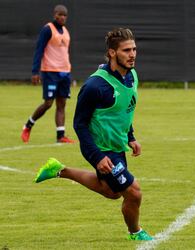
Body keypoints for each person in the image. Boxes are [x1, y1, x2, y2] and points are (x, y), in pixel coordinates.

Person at [33, 28, 153, 241]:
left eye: (134, 49)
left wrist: (131, 136)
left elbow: (126, 108)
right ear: (112, 53)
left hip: (117, 145)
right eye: (126, 50)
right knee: (133, 192)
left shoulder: (132, 75)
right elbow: (79, 125)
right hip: (101, 148)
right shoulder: (95, 86)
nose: (132, 54)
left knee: (112, 192)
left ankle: (60, 170)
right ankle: (135, 232)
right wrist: (97, 157)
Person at [21, 5, 75, 143]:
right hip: (50, 72)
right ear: (54, 15)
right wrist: (35, 71)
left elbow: (64, 54)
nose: (62, 17)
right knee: (48, 103)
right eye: (60, 14)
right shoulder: (48, 29)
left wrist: (69, 72)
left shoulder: (66, 31)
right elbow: (39, 50)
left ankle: (60, 136)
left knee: (62, 104)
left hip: (64, 72)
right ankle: (28, 125)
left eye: (65, 15)